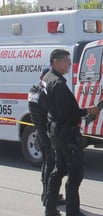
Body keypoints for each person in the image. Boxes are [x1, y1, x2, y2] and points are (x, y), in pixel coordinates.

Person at [43, 49, 99, 216]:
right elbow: (67, 112)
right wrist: (87, 111)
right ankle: (72, 213)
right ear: (56, 62)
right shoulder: (57, 84)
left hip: (56, 131)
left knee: (58, 169)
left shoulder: (47, 79)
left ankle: (50, 207)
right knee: (75, 172)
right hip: (66, 133)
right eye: (67, 61)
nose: (69, 64)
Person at [28, 67, 64, 206]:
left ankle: (48, 193)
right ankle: (49, 195)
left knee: (46, 163)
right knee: (50, 164)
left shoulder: (33, 91)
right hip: (46, 133)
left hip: (39, 131)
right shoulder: (45, 92)